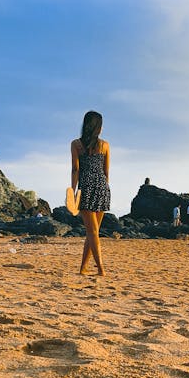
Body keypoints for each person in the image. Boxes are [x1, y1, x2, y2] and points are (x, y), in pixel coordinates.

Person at [71, 111, 111, 276]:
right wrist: (104, 188)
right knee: (92, 231)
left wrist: (73, 191)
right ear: (99, 128)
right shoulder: (105, 145)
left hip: (86, 187)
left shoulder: (76, 144)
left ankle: (101, 269)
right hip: (102, 187)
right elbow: (106, 171)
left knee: (92, 231)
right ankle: (83, 268)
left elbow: (75, 170)